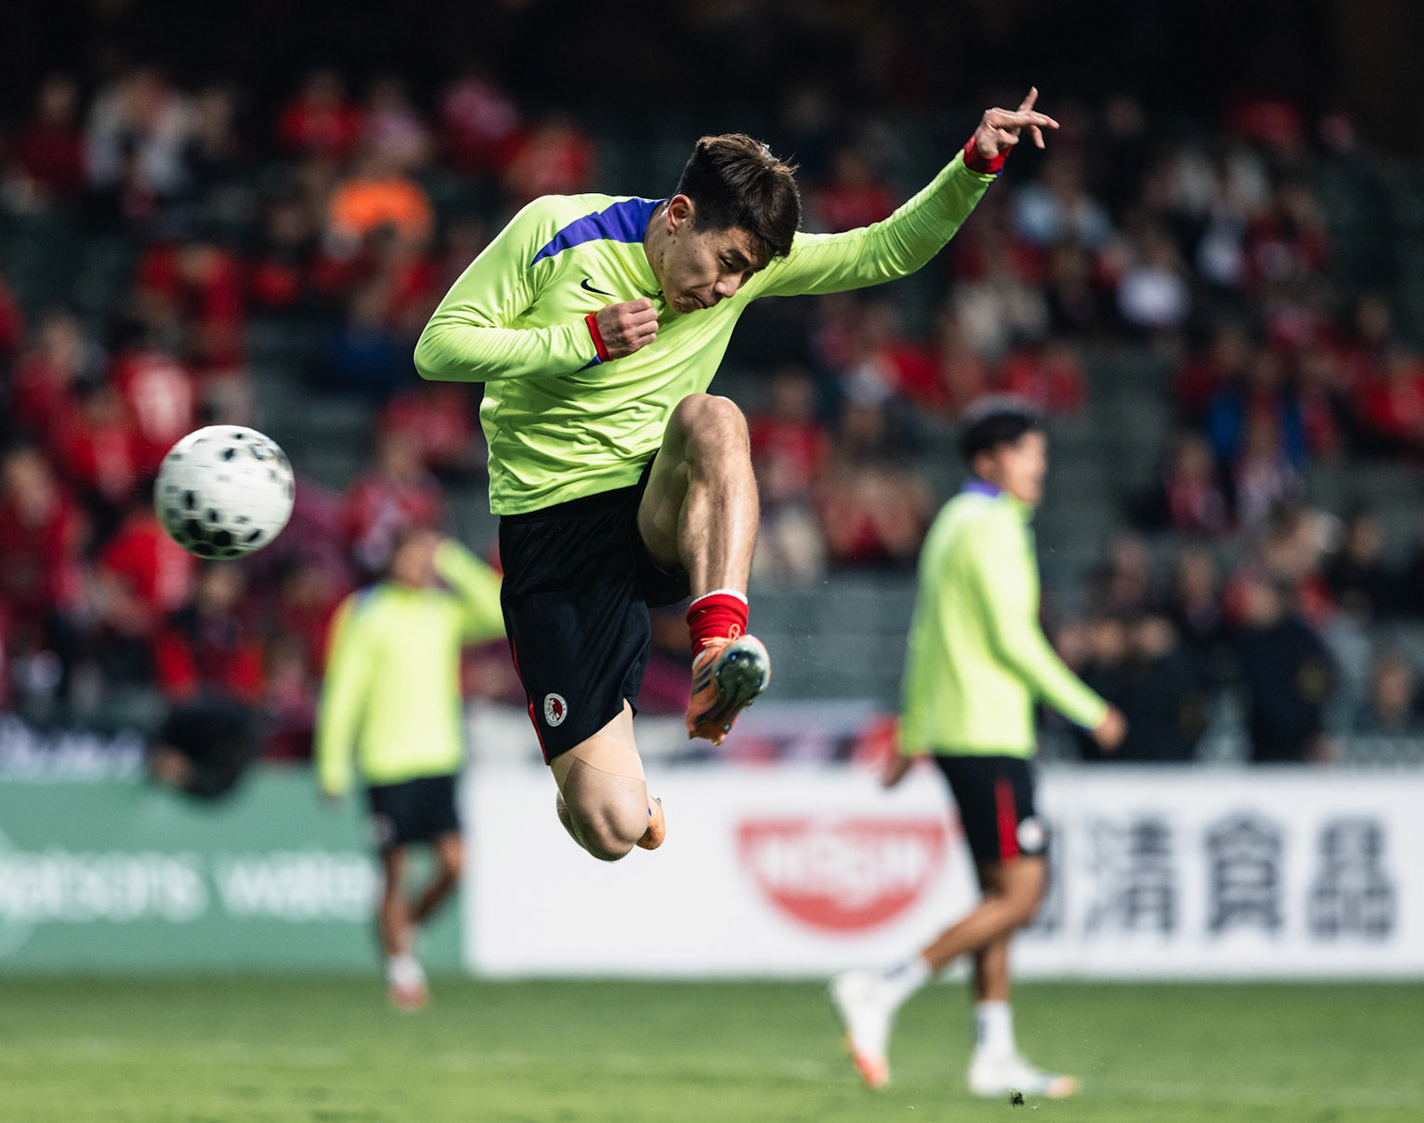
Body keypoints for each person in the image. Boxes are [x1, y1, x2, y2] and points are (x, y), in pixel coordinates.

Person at [415, 92, 1059, 861]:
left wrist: (976, 163)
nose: (727, 289)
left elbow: (886, 249)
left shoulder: (739, 268)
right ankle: (602, 794)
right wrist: (579, 337)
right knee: (614, 832)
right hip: (552, 529)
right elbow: (438, 348)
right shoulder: (554, 229)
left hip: (654, 501)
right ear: (680, 212)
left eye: (745, 275)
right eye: (725, 265)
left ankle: (717, 647)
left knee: (715, 418)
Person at [829, 400, 1125, 1098]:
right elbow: (1012, 640)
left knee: (998, 895)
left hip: (963, 732)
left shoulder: (955, 524)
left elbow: (927, 634)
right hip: (991, 734)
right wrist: (1089, 708)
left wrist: (912, 733)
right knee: (1024, 893)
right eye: (1029, 455)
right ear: (990, 459)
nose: (1039, 468)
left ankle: (994, 1054)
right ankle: (882, 986)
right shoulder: (990, 528)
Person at [317, 528, 505, 1010]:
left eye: (428, 557)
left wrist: (454, 558)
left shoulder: (442, 612)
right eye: (414, 554)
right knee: (396, 872)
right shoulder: (366, 613)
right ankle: (402, 970)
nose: (422, 564)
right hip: (387, 762)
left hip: (439, 758)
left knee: (454, 864)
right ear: (392, 558)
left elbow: (498, 610)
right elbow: (344, 690)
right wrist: (332, 765)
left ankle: (407, 930)